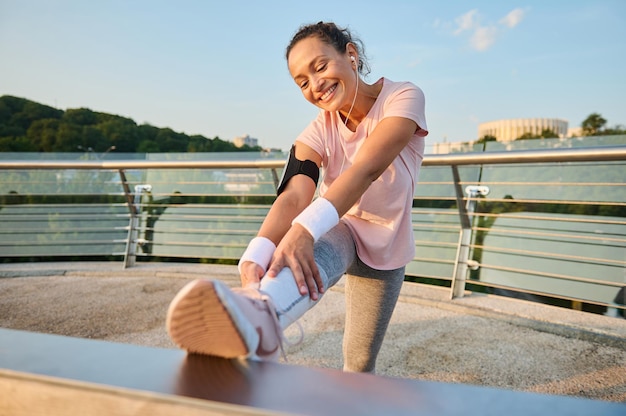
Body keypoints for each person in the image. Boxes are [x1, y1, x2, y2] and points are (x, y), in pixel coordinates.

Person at [167, 21, 428, 373]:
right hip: (344, 225)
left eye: (320, 67)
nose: (315, 85)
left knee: (359, 360)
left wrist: (304, 228)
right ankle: (259, 314)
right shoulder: (318, 129)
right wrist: (256, 254)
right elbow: (294, 193)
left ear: (350, 54)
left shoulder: (403, 97)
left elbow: (365, 169)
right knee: (307, 250)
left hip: (389, 244)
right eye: (302, 81)